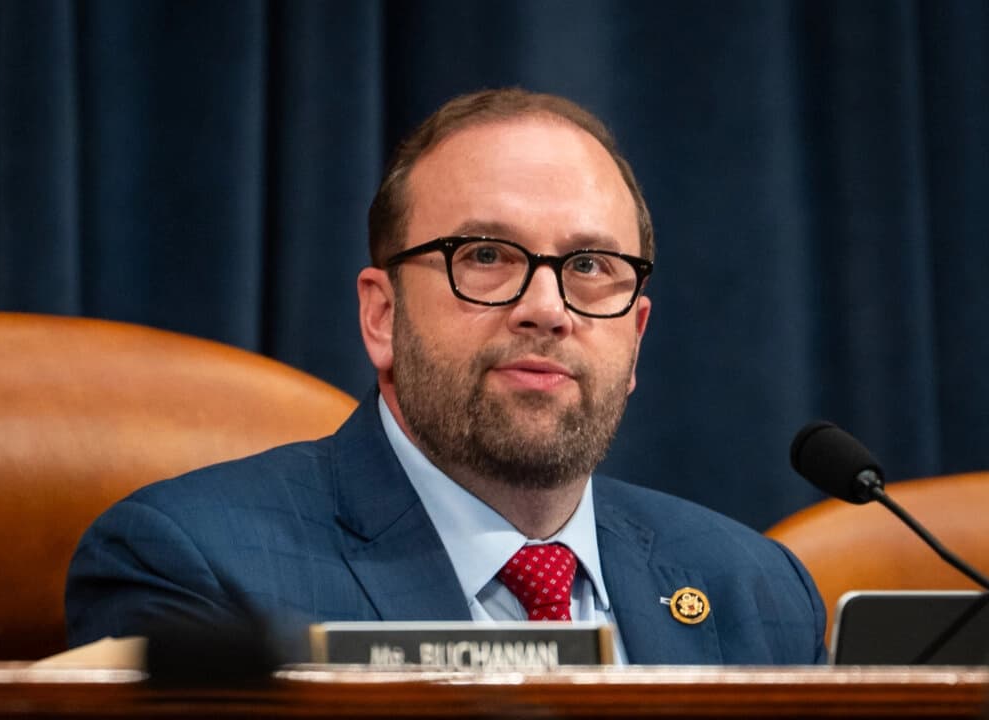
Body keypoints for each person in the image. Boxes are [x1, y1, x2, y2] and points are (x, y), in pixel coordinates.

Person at [66, 88, 826, 664]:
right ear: (381, 315)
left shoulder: (753, 592)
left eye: (590, 267)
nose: (547, 308)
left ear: (636, 333)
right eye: (487, 257)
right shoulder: (198, 570)